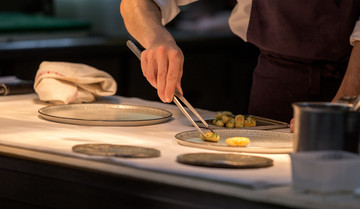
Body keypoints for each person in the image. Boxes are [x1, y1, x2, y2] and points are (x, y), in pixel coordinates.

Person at [120, 0, 360, 127]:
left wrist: (346, 102)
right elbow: (138, 2)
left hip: (353, 79)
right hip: (278, 81)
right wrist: (158, 39)